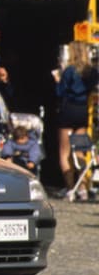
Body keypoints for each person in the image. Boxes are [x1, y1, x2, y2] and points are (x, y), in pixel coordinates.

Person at [54, 41, 98, 200]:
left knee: (64, 153)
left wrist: (57, 79)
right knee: (80, 150)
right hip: (82, 111)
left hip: (68, 110)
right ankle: (83, 189)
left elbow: (60, 92)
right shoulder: (91, 71)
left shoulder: (69, 71)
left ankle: (70, 188)